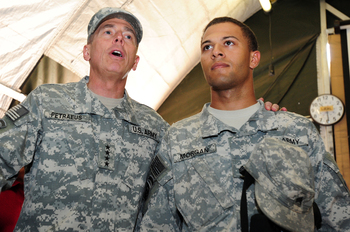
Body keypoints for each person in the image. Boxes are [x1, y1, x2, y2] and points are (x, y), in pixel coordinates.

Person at [0, 8, 280, 231]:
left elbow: (192, 177)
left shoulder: (155, 127)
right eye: (107, 31)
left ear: (134, 62)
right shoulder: (46, 102)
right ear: (86, 51)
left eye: (129, 36)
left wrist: (255, 121)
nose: (118, 38)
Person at [139, 17, 350, 231]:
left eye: (228, 43)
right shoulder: (177, 140)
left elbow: (338, 217)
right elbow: (156, 225)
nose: (216, 51)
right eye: (207, 47)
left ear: (254, 58)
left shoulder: (297, 131)